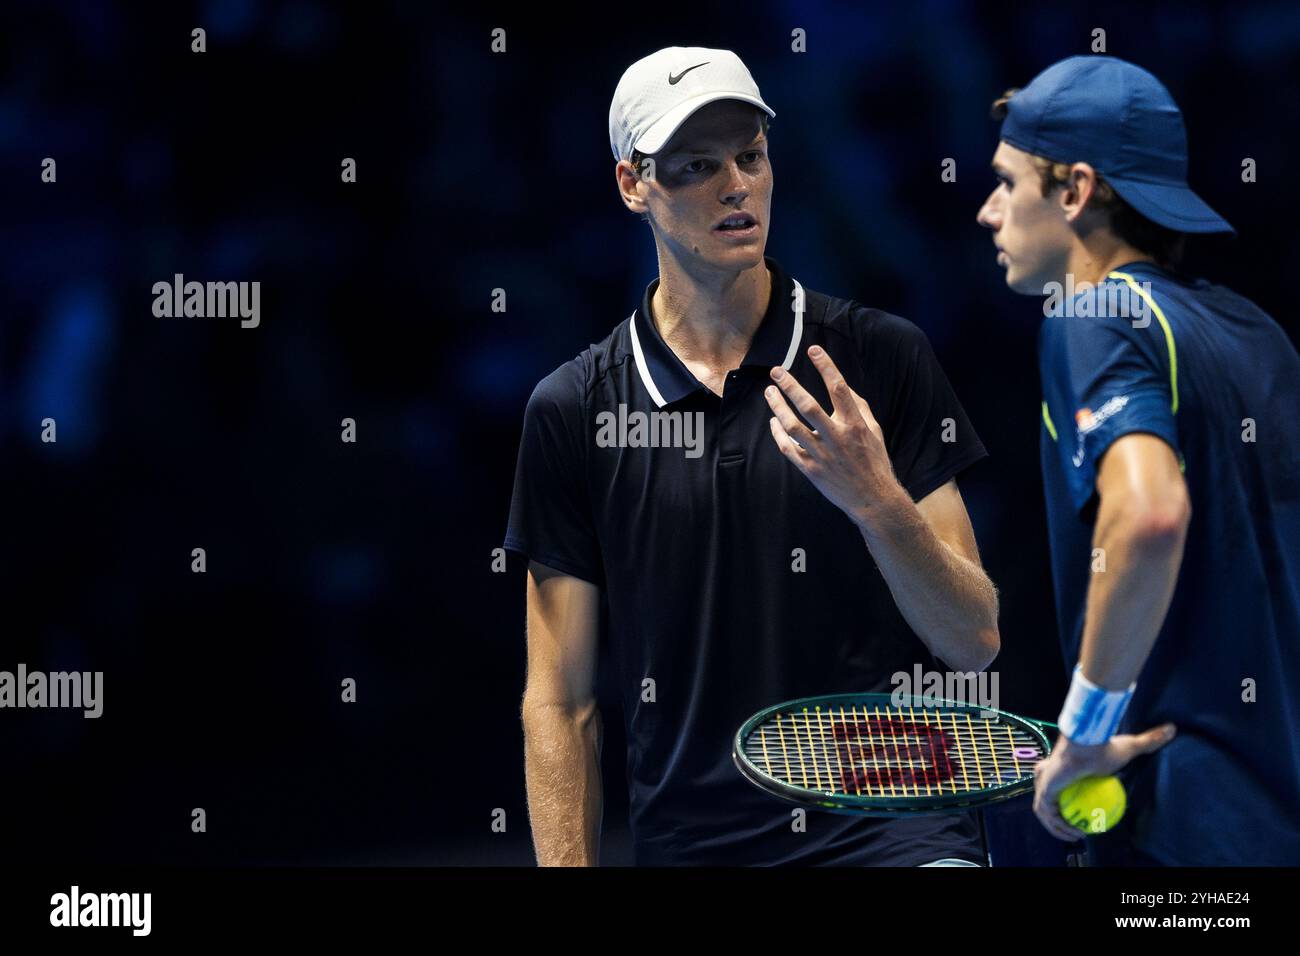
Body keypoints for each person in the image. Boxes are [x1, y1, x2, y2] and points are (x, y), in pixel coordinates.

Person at [504, 46, 999, 866]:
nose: (735, 185)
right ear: (633, 185)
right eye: (697, 166)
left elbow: (973, 637)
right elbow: (560, 702)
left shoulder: (880, 357)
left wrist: (880, 503)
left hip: (893, 827)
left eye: (751, 156)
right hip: (696, 844)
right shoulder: (572, 411)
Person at [976, 55, 1300, 865]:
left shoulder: (1092, 314)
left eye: (1009, 184)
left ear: (1076, 191)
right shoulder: (1258, 333)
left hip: (1186, 827)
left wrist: (1084, 736)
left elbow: (1150, 515)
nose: (988, 211)